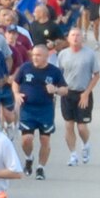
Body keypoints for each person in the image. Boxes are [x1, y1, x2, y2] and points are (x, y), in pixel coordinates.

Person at [11, 44, 69, 180]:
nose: (35, 58)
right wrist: (16, 94)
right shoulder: (25, 68)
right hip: (28, 109)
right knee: (27, 139)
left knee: (44, 140)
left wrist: (55, 89)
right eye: (34, 55)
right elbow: (15, 82)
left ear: (46, 56)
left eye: (39, 55)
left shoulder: (54, 71)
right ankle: (29, 158)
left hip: (45, 110)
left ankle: (41, 168)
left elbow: (65, 90)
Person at [57, 28, 100, 167]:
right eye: (72, 35)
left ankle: (86, 145)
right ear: (68, 38)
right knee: (69, 125)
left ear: (82, 38)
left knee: (81, 127)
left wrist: (86, 93)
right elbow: (58, 74)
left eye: (78, 35)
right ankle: (73, 154)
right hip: (68, 93)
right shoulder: (63, 54)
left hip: (83, 93)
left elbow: (96, 75)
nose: (75, 38)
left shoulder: (89, 54)